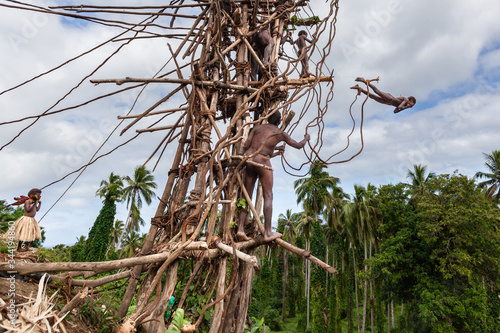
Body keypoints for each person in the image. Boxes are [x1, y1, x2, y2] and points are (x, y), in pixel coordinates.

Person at [237, 111, 310, 242]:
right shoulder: (279, 133)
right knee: (268, 196)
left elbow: (247, 145)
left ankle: (240, 229)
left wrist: (275, 151)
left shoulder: (257, 128)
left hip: (249, 159)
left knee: (246, 195)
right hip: (263, 162)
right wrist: (306, 138)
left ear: (268, 119)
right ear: (279, 121)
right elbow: (298, 145)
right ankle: (268, 232)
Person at [351, 77, 416, 113]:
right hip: (390, 98)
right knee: (377, 92)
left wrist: (404, 108)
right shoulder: (406, 99)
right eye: (412, 104)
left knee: (372, 96)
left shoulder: (404, 106)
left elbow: (395, 111)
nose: (411, 106)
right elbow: (399, 107)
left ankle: (359, 88)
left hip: (388, 102)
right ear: (411, 101)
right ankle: (364, 81)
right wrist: (405, 107)